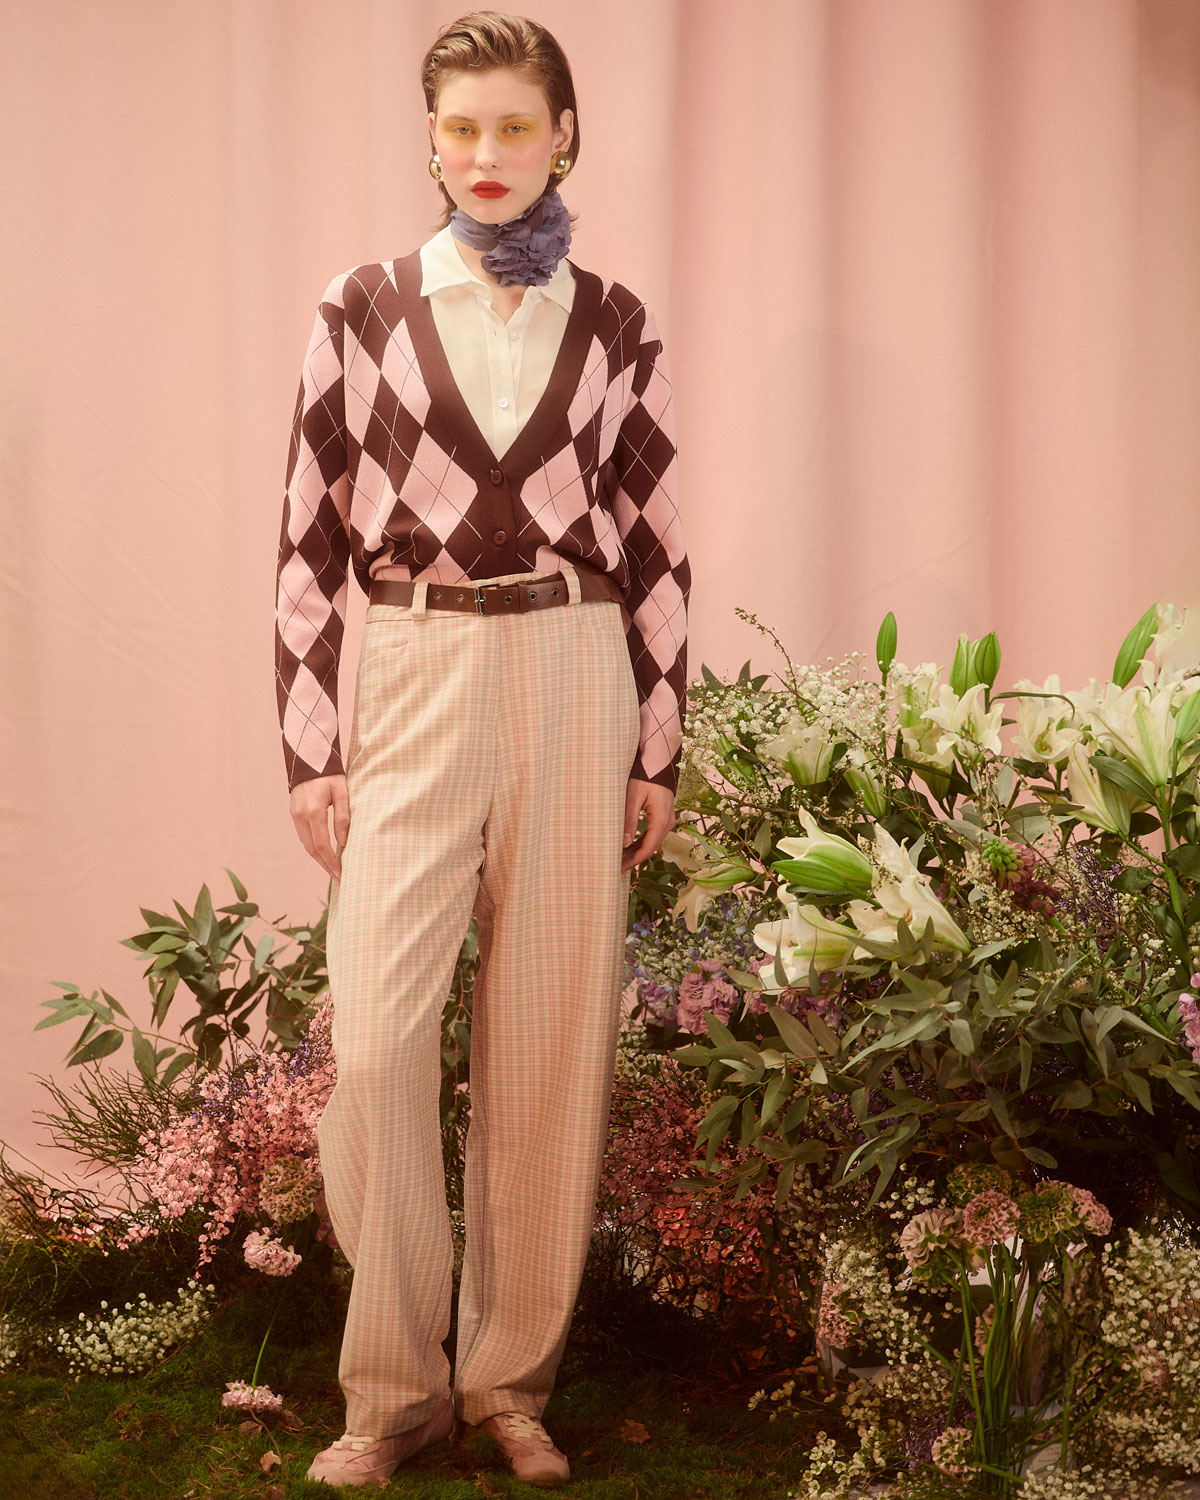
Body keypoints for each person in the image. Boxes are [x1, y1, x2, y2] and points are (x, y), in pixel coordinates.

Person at [274, 10, 690, 1489]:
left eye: (516, 125)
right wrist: (313, 749)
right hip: (416, 662)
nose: (487, 153)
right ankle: (393, 1391)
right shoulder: (364, 308)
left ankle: (511, 1379)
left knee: (550, 1035)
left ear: (564, 136)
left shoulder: (616, 321)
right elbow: (309, 540)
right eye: (461, 128)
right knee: (379, 1039)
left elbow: (654, 544)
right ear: (431, 141)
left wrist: (657, 749)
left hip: (577, 665)